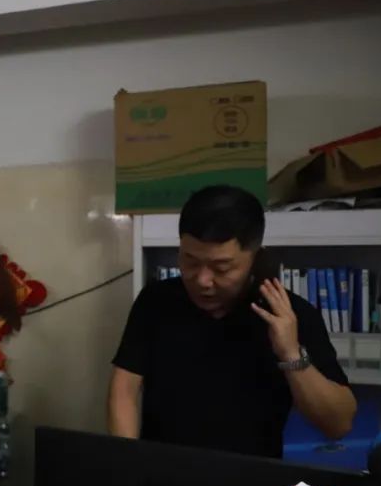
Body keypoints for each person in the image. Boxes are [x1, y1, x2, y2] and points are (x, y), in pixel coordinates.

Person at [108, 184, 357, 458]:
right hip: (163, 473)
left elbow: (339, 425)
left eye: (221, 268)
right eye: (190, 261)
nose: (203, 280)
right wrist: (127, 462)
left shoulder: (289, 315)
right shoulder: (155, 301)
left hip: (251, 477)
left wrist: (290, 353)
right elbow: (124, 391)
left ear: (256, 259)